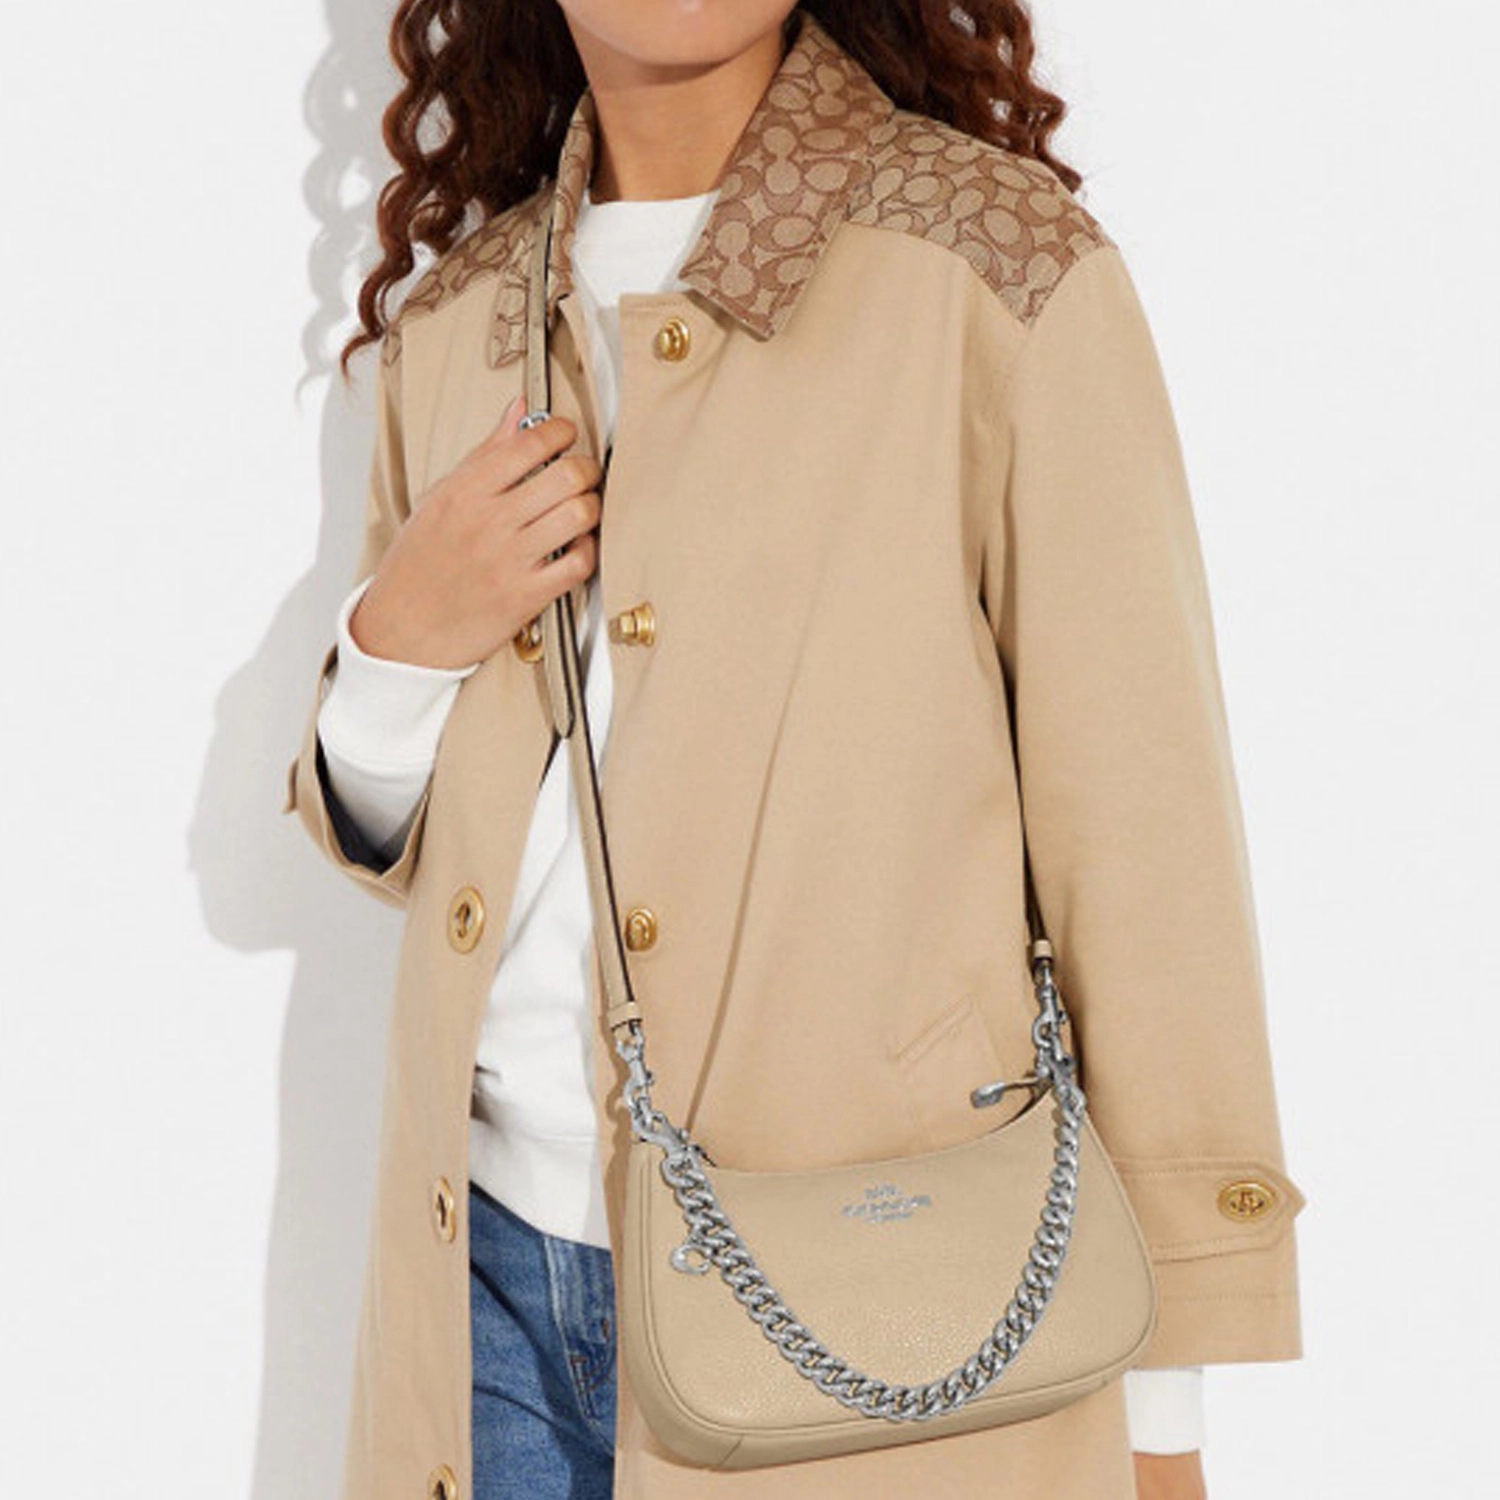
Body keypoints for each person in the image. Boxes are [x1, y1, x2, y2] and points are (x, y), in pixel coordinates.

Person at [283, 4, 1307, 1499]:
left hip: (883, 1314)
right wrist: (397, 642)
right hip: (484, 1296)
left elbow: (1144, 854)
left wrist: (1162, 1418)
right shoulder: (460, 325)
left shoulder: (994, 269)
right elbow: (421, 848)